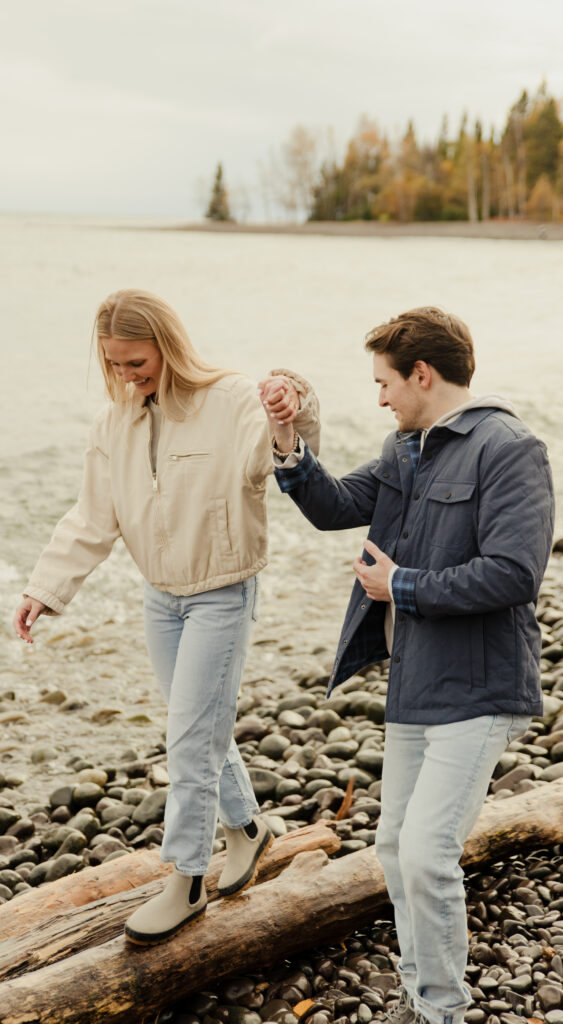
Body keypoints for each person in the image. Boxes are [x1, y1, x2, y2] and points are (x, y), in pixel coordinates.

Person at [266, 307, 554, 1024]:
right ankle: (420, 991)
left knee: (426, 853)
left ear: (421, 374)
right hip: (414, 679)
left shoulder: (509, 448)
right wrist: (286, 438)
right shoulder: (406, 447)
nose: (380, 398)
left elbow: (515, 575)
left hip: (481, 685)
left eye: (385, 382)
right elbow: (334, 507)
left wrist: (400, 585)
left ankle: (439, 1010)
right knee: (395, 848)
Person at [13, 288, 321, 945]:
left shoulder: (231, 397)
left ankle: (183, 880)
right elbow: (93, 518)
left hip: (221, 592)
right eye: (115, 365)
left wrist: (292, 404)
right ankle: (247, 829)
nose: (127, 376)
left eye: (135, 361)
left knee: (188, 738)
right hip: (161, 598)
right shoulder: (114, 423)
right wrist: (44, 588)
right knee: (199, 727)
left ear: (167, 344)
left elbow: (278, 451)